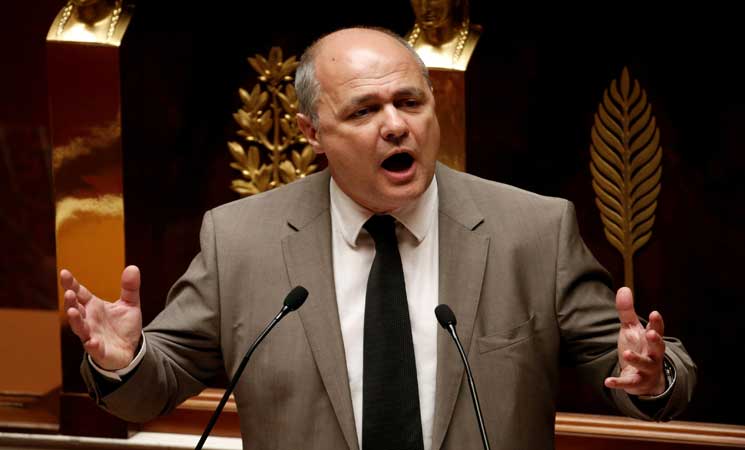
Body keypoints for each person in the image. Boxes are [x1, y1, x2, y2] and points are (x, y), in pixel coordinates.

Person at [61, 27, 696, 450]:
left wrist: (652, 374)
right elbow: (155, 385)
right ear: (312, 133)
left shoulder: (532, 230)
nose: (395, 126)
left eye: (410, 102)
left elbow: (639, 369)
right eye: (364, 111)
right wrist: (123, 361)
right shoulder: (241, 240)